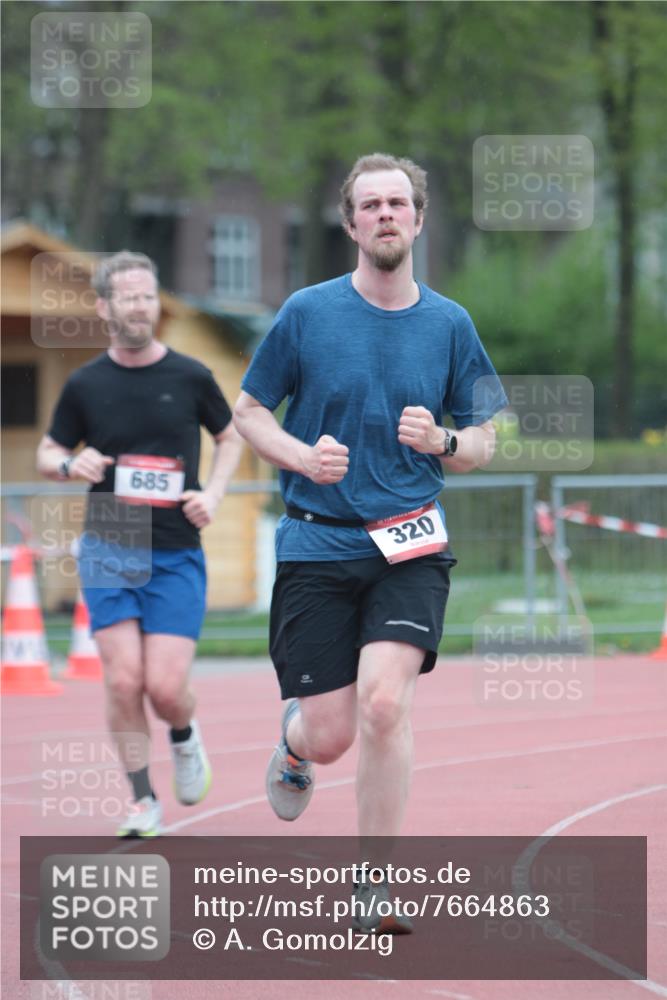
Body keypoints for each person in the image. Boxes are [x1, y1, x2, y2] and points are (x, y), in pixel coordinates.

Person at [233, 152, 508, 932]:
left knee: (386, 707)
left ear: (418, 219)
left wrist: (445, 442)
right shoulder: (306, 313)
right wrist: (297, 455)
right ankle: (292, 746)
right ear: (351, 223)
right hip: (317, 544)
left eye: (398, 203)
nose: (385, 214)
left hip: (409, 544)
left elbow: (486, 437)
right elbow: (248, 410)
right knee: (330, 735)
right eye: (370, 205)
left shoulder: (449, 324)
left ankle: (373, 886)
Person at [37, 251, 244, 837]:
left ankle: (183, 732)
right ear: (104, 307)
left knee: (166, 687)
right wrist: (72, 462)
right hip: (110, 544)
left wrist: (216, 494)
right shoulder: (85, 384)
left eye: (148, 296)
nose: (140, 306)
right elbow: (47, 452)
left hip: (176, 548)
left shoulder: (191, 376)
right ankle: (140, 800)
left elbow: (230, 439)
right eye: (128, 297)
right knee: (123, 680)